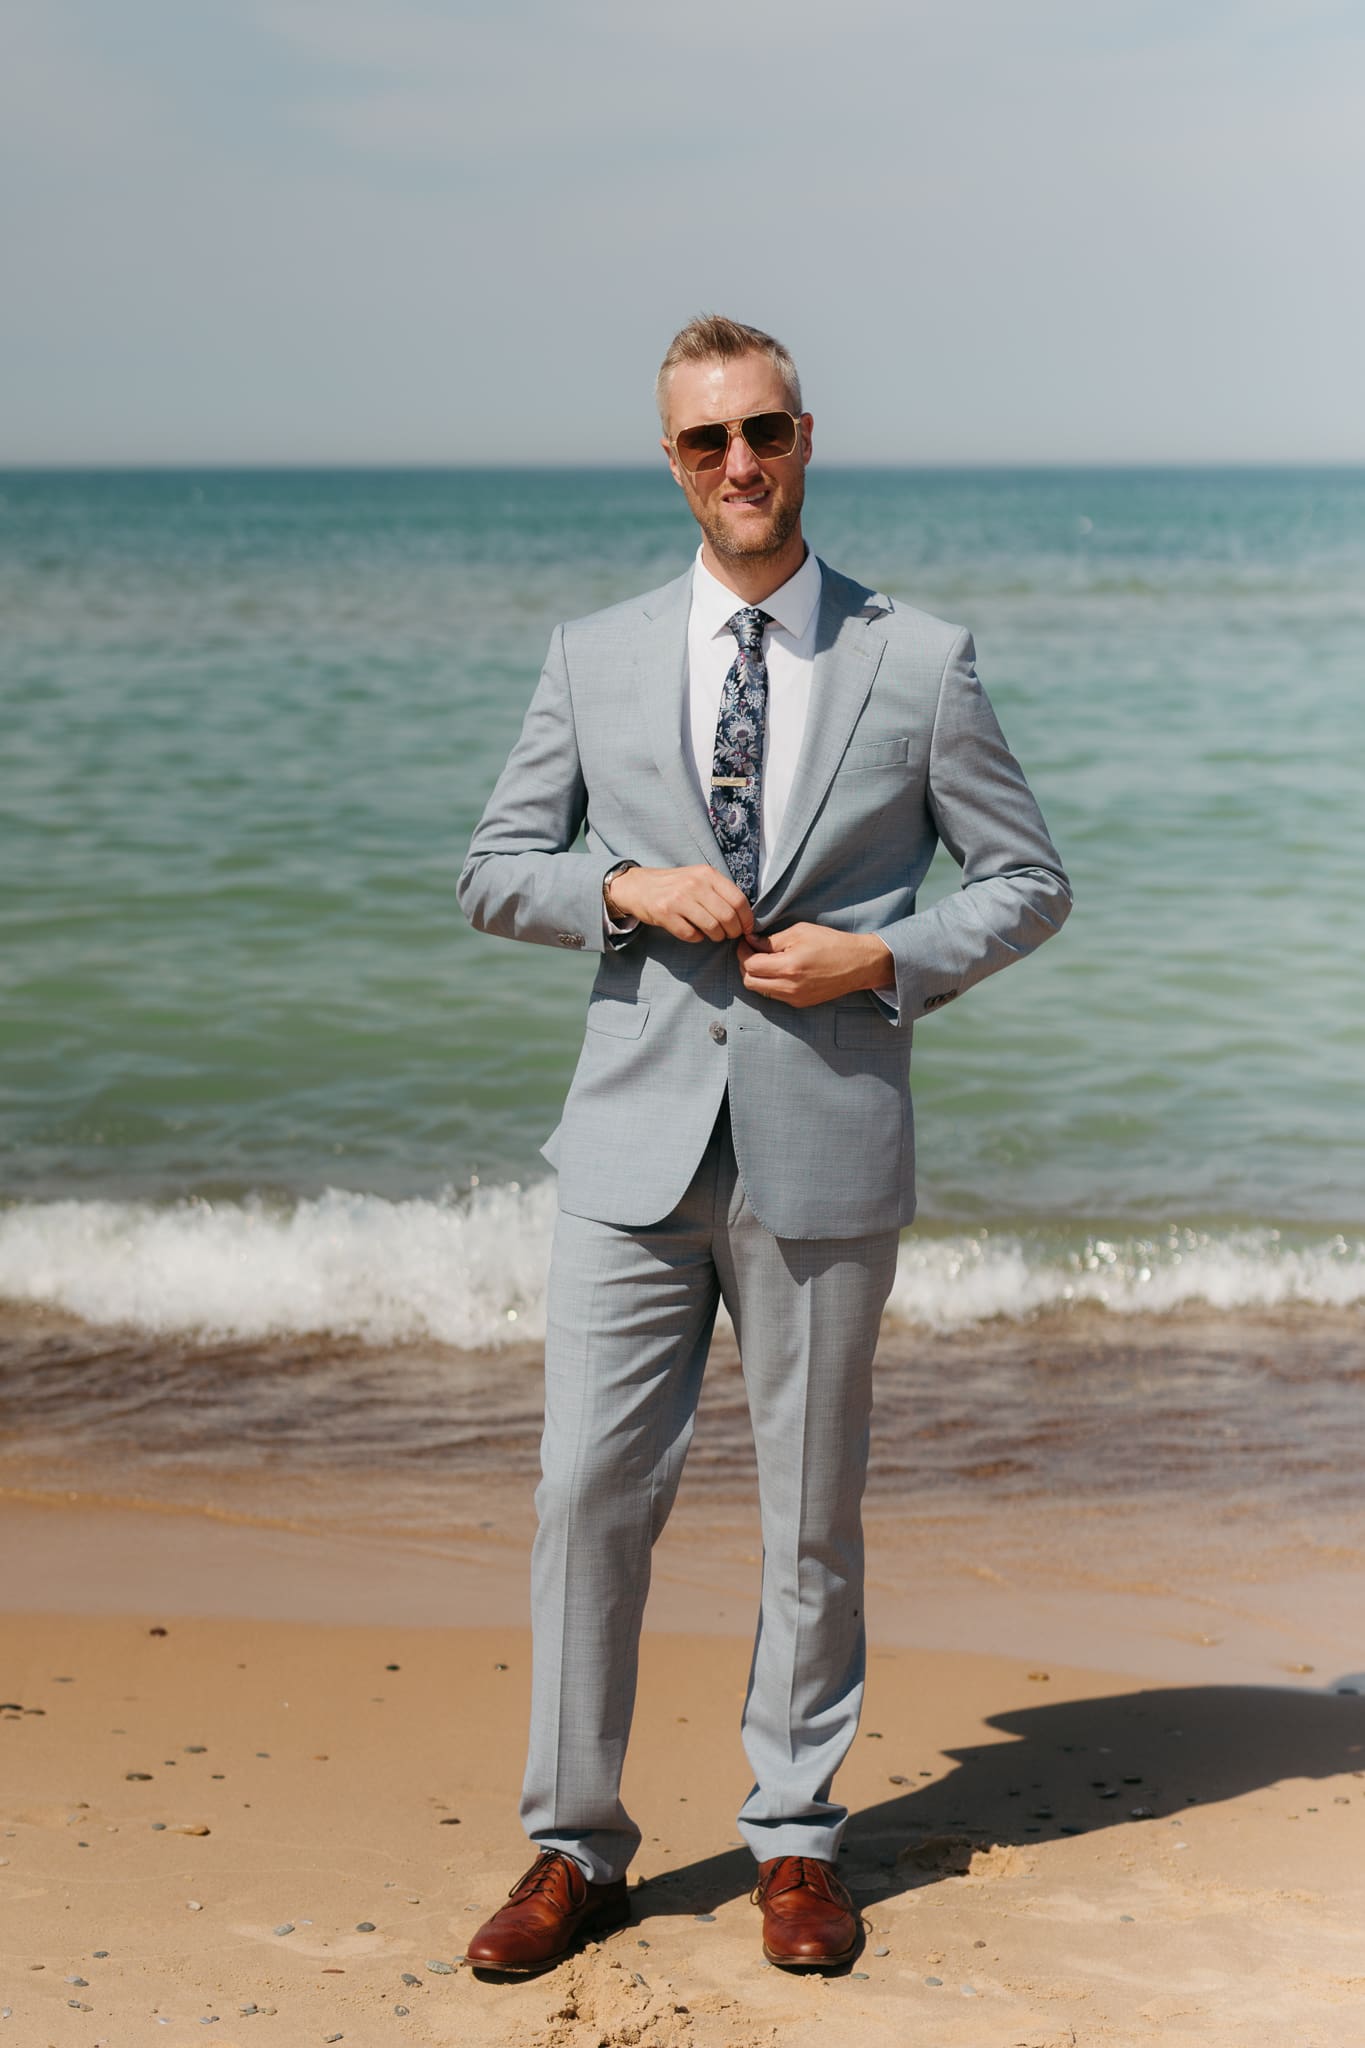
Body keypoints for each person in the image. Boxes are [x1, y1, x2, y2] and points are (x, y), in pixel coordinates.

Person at [457, 314, 1071, 1974]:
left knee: (809, 1511)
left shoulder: (918, 658)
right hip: (629, 1147)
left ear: (809, 437)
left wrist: (892, 959)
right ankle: (572, 1847)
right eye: (705, 440)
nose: (740, 464)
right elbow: (494, 862)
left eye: (766, 431)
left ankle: (795, 1837)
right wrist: (621, 888)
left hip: (827, 1138)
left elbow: (1027, 881)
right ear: (669, 460)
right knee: (585, 1494)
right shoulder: (593, 652)